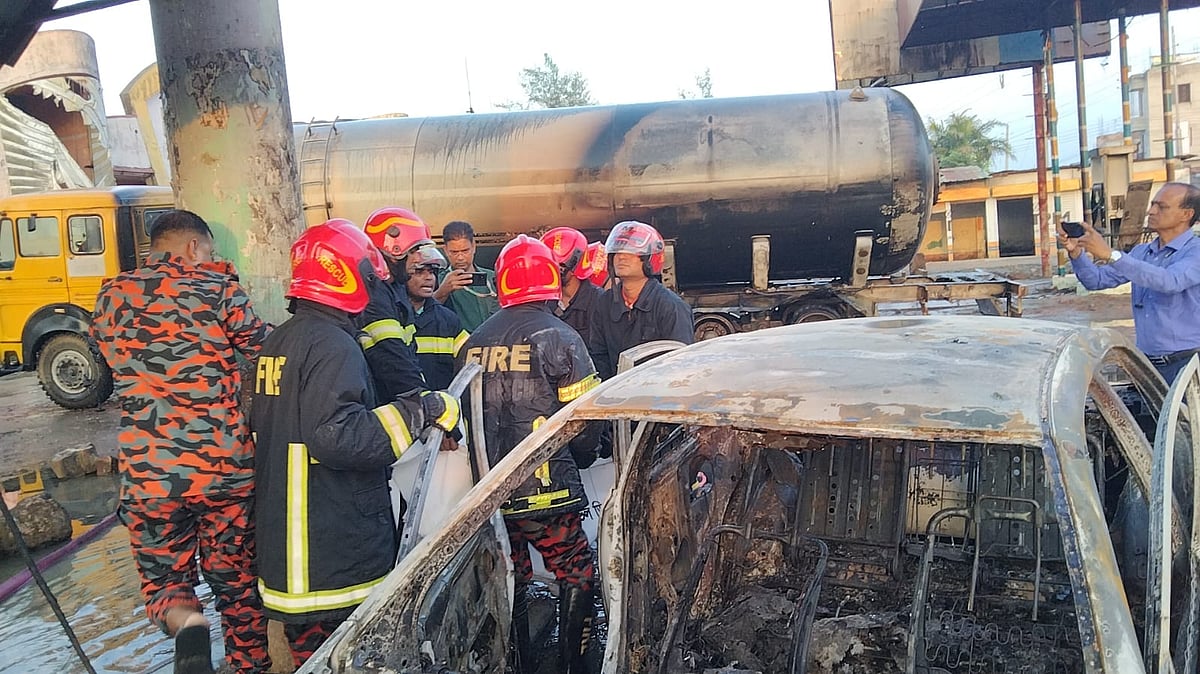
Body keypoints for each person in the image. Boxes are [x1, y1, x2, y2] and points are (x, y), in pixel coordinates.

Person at [250, 220, 459, 666]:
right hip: (330, 548)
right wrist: (420, 410)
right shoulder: (333, 345)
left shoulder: (280, 340)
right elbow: (339, 436)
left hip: (288, 549)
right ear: (349, 276)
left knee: (314, 658)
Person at [90, 209, 271, 674]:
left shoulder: (111, 295)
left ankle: (188, 623)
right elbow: (261, 347)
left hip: (150, 474)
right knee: (236, 582)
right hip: (223, 469)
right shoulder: (217, 287)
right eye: (209, 250)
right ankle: (250, 665)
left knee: (165, 584)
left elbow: (109, 357)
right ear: (193, 247)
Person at [456, 235, 601, 674]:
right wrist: (588, 455)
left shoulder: (472, 342)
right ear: (549, 281)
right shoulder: (561, 337)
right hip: (547, 490)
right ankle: (573, 664)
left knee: (512, 575)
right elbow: (584, 423)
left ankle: (517, 660)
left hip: (490, 493)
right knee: (575, 572)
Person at [1063, 181, 1200, 383]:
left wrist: (1111, 255)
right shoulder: (1142, 252)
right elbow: (1097, 280)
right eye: (1152, 204)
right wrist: (1076, 253)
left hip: (1187, 363)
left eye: (1161, 207)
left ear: (1186, 214)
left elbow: (1171, 281)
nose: (1151, 211)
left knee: (1186, 415)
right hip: (1146, 362)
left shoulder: (1195, 251)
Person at [588, 220, 695, 380]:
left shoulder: (671, 307)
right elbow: (598, 356)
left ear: (649, 260)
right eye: (617, 252)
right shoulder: (604, 304)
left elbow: (682, 365)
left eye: (632, 252)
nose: (621, 257)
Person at [359, 207, 439, 400]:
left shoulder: (396, 289)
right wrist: (423, 401)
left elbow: (408, 355)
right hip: (380, 401)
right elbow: (393, 358)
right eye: (414, 251)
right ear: (394, 250)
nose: (418, 259)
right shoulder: (374, 296)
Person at [406, 244, 468, 390]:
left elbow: (470, 362)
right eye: (419, 271)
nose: (429, 278)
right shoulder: (390, 317)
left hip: (442, 409)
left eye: (432, 272)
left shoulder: (448, 320)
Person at [434, 220, 500, 331]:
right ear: (445, 250)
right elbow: (422, 313)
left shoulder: (493, 278)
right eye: (454, 252)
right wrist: (442, 292)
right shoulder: (437, 281)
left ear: (474, 246)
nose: (460, 257)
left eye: (465, 251)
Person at [541, 227, 602, 344]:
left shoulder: (600, 302)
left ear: (575, 263)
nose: (550, 272)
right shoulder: (544, 303)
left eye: (557, 266)